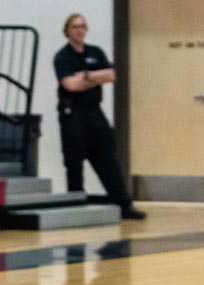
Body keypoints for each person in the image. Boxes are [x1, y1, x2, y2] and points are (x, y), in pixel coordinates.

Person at [55, 13, 145, 220]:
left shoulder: (95, 52)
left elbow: (111, 75)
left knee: (108, 159)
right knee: (74, 162)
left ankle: (124, 205)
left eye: (83, 26)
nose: (79, 30)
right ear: (67, 31)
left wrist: (84, 76)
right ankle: (75, 204)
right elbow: (70, 84)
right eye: (75, 26)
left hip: (94, 113)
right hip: (72, 114)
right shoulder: (63, 56)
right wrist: (95, 77)